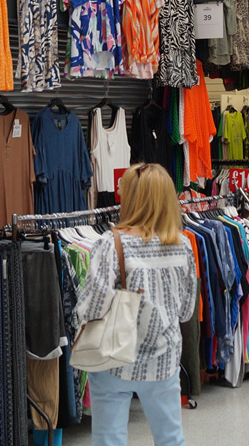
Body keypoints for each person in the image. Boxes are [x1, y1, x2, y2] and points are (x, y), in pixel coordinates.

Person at [72, 163, 198, 446]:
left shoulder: (111, 243)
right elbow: (187, 310)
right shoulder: (183, 245)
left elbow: (92, 309)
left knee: (109, 440)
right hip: (163, 360)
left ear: (132, 198)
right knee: (170, 439)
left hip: (113, 360)